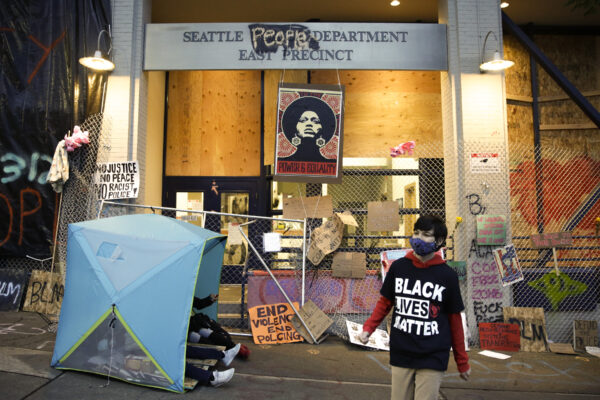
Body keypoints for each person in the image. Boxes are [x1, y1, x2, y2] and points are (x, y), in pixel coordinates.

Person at [359, 215, 470, 400]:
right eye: (416, 233)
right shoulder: (399, 268)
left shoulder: (447, 276)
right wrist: (369, 328)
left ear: (439, 241)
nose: (418, 238)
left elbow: (455, 320)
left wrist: (462, 361)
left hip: (433, 355)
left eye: (426, 234)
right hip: (402, 350)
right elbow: (385, 302)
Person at [189, 294, 251, 359]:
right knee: (203, 340)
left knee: (224, 336)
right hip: (188, 328)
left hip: (196, 321)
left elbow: (199, 304)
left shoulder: (184, 295)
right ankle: (226, 352)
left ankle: (232, 349)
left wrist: (210, 299)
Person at [278, 95, 338, 163]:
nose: (309, 124)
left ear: (323, 128)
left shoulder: (332, 163)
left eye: (315, 121)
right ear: (294, 126)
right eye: (303, 120)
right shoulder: (282, 162)